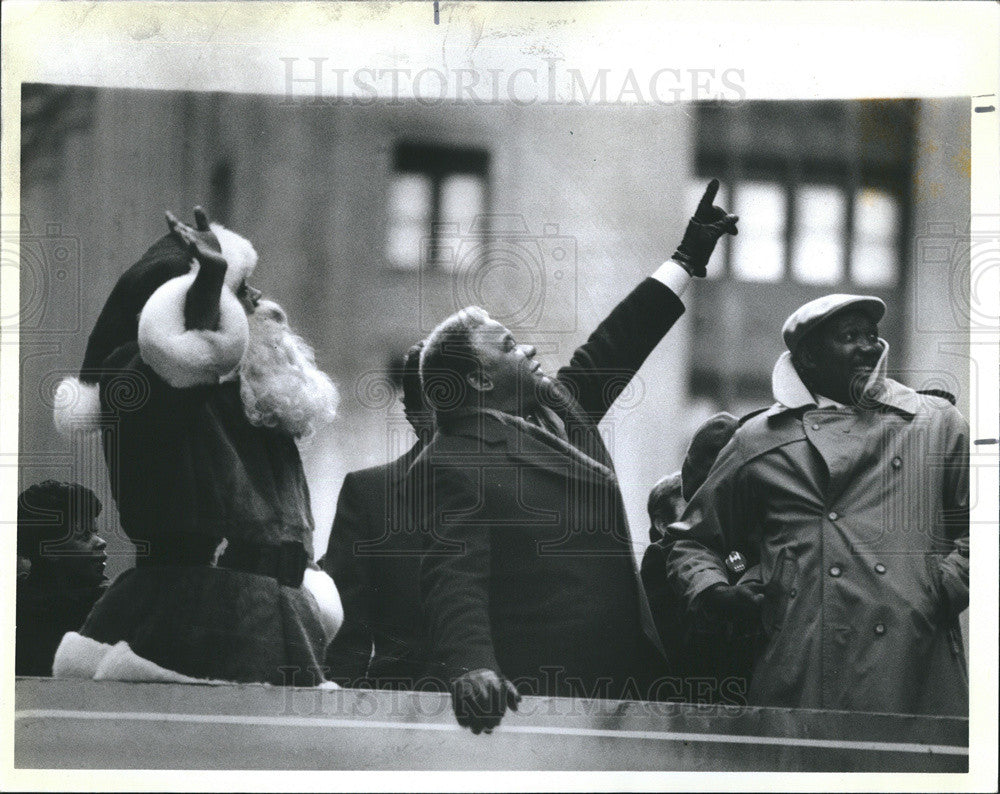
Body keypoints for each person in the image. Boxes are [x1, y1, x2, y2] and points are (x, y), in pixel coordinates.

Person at [416, 180, 738, 733]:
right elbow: (455, 577)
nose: (531, 348)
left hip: (622, 682)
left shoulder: (558, 406)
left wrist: (685, 260)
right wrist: (473, 666)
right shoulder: (452, 460)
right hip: (542, 703)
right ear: (478, 378)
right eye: (510, 345)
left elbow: (617, 342)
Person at [51, 207, 343, 685]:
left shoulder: (249, 394)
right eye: (242, 292)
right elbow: (168, 371)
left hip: (272, 616)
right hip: (200, 619)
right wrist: (208, 288)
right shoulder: (156, 384)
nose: (262, 301)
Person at [659, 294, 969, 715]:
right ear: (806, 357)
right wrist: (716, 592)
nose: (869, 346)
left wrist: (934, 589)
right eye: (849, 336)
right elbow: (692, 541)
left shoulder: (936, 425)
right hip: (800, 670)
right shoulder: (759, 441)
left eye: (872, 335)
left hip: (913, 661)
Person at [320, 341, 441, 689]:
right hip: (400, 710)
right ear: (413, 414)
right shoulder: (371, 494)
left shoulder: (520, 489)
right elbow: (344, 640)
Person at [16, 481, 108, 676]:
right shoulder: (103, 608)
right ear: (50, 551)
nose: (101, 542)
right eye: (84, 536)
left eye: (95, 532)